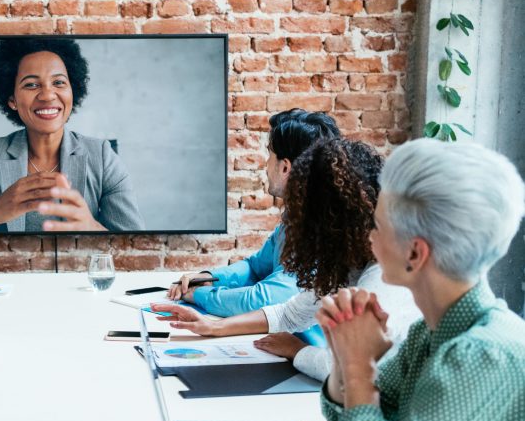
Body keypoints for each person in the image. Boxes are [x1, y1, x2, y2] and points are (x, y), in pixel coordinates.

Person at [316, 140, 525, 421]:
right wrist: (343, 352)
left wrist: (360, 365)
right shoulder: (429, 334)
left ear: (415, 253)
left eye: (378, 225)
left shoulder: (480, 355)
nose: (370, 236)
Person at [152, 139, 421, 381]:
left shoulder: (385, 276)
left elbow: (342, 369)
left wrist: (297, 350)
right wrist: (213, 327)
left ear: (330, 219)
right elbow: (292, 313)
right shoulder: (349, 261)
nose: (295, 222)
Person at [168, 108, 340, 345]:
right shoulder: (295, 219)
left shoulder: (318, 230)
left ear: (285, 167)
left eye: (270, 154)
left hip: (310, 363)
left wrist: (199, 296)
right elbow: (256, 266)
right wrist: (209, 277)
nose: (265, 165)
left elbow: (267, 298)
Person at [0, 38, 145, 233]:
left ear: (73, 91)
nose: (47, 95)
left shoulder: (102, 156)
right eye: (31, 84)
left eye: (58, 82)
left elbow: (137, 247)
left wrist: (91, 228)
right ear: (11, 99)